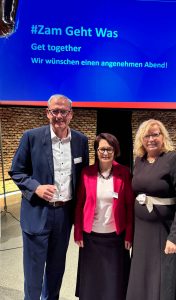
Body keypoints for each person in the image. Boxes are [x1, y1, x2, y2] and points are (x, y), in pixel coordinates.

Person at [9, 94, 89, 300]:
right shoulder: (31, 137)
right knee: (34, 273)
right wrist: (35, 187)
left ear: (71, 115)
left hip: (64, 215)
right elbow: (16, 171)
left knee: (56, 269)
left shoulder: (81, 141)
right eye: (55, 111)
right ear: (47, 113)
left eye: (64, 111)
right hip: (37, 213)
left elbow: (82, 178)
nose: (59, 116)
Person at [126, 119, 176, 300]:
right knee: (143, 275)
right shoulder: (139, 160)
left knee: (164, 277)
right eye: (147, 135)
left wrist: (175, 237)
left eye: (155, 134)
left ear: (163, 137)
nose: (151, 139)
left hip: (165, 231)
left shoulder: (174, 160)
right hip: (142, 232)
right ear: (141, 139)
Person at [74, 133, 134, 300]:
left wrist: (129, 234)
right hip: (91, 237)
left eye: (109, 149)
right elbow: (79, 205)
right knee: (92, 281)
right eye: (101, 149)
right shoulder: (87, 173)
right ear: (96, 150)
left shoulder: (124, 173)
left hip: (115, 238)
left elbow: (130, 206)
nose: (105, 153)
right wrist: (78, 231)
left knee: (114, 283)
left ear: (115, 151)